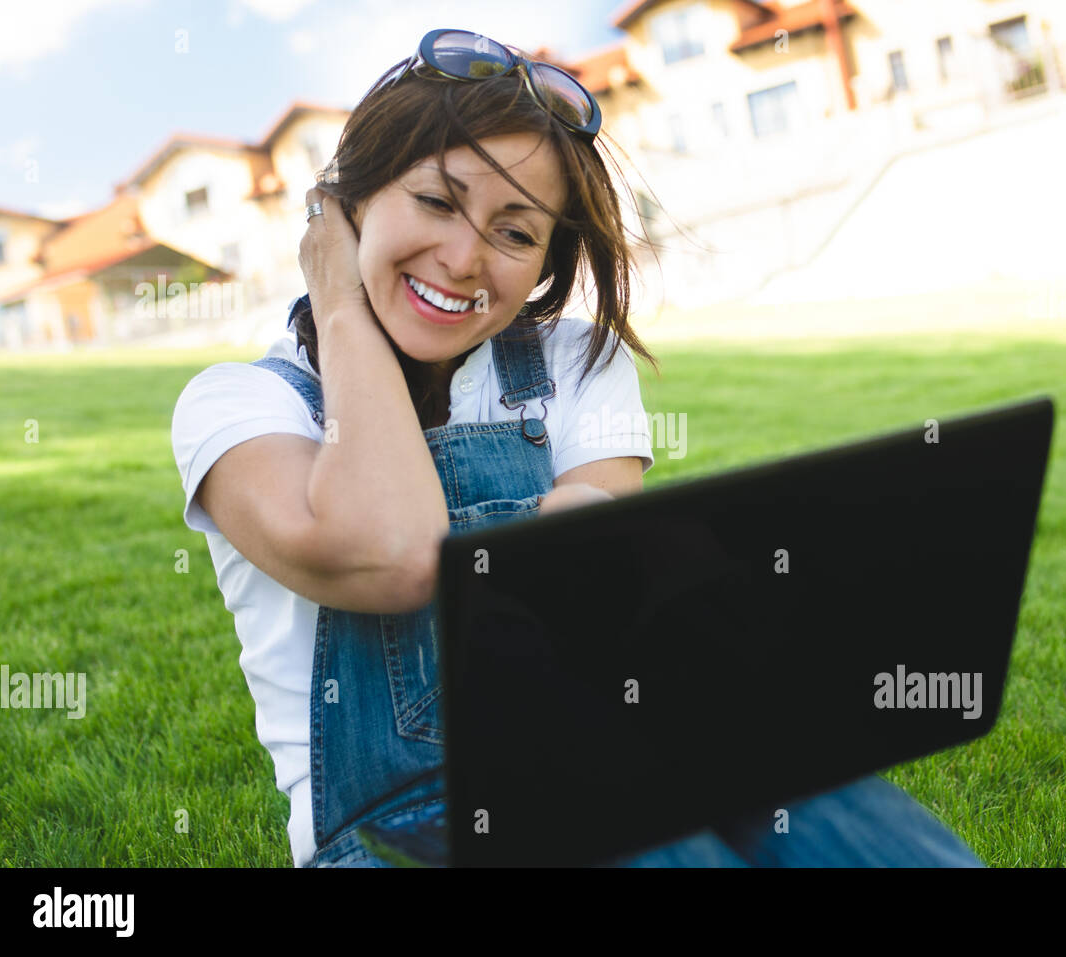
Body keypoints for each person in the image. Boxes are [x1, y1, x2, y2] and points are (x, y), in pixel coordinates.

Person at [171, 28, 983, 868]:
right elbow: (396, 552)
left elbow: (615, 598)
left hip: (611, 751)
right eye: (437, 202)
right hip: (394, 833)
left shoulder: (571, 361)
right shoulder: (241, 405)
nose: (463, 259)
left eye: (515, 233)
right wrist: (339, 300)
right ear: (346, 205)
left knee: (846, 819)